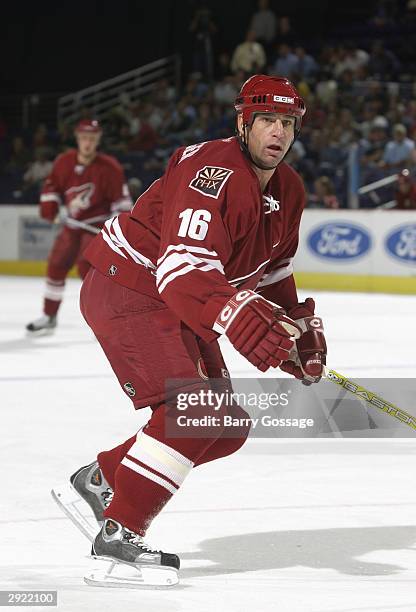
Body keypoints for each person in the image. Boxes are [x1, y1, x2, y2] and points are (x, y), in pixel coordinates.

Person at [52, 76, 327, 587]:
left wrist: (295, 330)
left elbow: (272, 274)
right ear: (243, 124)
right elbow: (181, 267)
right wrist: (238, 315)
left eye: (287, 123)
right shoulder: (212, 171)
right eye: (267, 120)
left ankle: (100, 480)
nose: (279, 133)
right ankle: (119, 537)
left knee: (225, 426)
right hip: (132, 286)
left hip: (177, 300)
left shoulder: (289, 190)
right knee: (195, 411)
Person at [26, 120, 132, 335]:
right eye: (84, 137)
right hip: (72, 225)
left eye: (92, 138)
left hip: (97, 226)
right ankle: (49, 315)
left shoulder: (110, 167)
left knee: (88, 268)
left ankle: (106, 318)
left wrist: (115, 224)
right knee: (56, 264)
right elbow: (52, 187)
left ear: (98, 140)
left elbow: (121, 202)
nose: (87, 143)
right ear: (77, 138)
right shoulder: (64, 162)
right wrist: (51, 207)